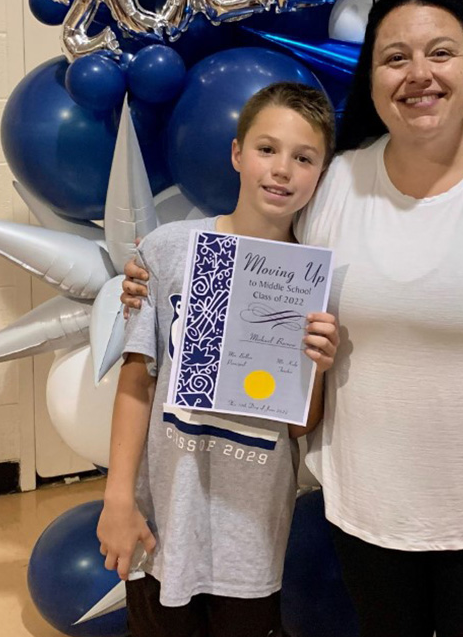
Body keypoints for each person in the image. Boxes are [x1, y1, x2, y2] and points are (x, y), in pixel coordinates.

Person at [123, 0, 463, 637]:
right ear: (373, 80)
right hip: (365, 504)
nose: (418, 73)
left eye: (440, 53)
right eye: (395, 58)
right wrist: (155, 273)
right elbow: (254, 255)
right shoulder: (334, 182)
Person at [97, 81, 342, 637]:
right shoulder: (168, 251)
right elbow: (137, 382)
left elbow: (299, 424)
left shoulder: (312, 284)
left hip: (249, 534)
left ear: (320, 174)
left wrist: (318, 370)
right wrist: (116, 499)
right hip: (162, 518)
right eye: (267, 149)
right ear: (237, 153)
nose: (282, 170)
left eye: (303, 158)